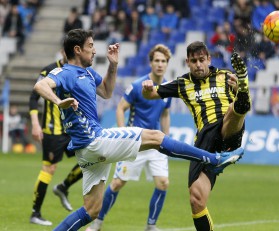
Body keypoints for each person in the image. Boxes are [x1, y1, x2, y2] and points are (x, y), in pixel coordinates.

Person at [33, 29, 243, 231]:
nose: (94, 50)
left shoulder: (87, 73)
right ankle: (214, 160)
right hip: (94, 141)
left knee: (91, 210)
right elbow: (41, 86)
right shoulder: (66, 72)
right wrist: (58, 101)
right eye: (90, 46)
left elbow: (106, 91)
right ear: (77, 50)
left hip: (86, 151)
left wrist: (113, 66)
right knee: (157, 136)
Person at [142, 41, 251, 231]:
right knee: (196, 199)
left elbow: (242, 107)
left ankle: (244, 85)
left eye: (202, 60)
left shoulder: (225, 76)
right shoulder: (183, 84)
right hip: (204, 141)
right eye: (194, 61)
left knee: (235, 109)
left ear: (209, 59)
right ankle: (219, 159)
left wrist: (239, 88)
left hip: (229, 129)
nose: (198, 64)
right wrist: (146, 87)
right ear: (187, 62)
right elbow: (151, 94)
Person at [86, 44, 172, 231]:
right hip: (136, 143)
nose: (160, 64)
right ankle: (97, 223)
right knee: (117, 183)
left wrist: (167, 137)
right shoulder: (137, 86)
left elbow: (165, 113)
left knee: (163, 183)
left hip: (156, 144)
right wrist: (123, 133)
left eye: (163, 61)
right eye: (156, 60)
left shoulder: (167, 88)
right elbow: (120, 108)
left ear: (167, 64)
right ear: (151, 63)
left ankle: (151, 225)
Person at [29, 50, 83, 226]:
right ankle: (35, 213)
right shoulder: (49, 71)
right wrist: (35, 124)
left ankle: (63, 187)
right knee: (49, 169)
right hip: (52, 130)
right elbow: (33, 97)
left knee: (90, 158)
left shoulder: (76, 71)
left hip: (70, 129)